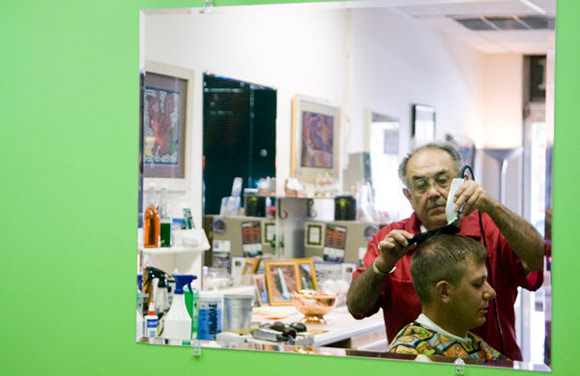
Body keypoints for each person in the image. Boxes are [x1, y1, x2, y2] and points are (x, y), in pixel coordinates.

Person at [346, 140, 545, 361]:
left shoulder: (492, 229)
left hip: (491, 368)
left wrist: (493, 207)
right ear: (409, 196)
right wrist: (382, 265)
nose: (433, 192)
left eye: (442, 180)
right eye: (421, 185)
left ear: (463, 183)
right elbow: (357, 307)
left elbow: (536, 262)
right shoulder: (389, 241)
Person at [386, 234, 506, 360]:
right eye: (477, 284)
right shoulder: (409, 356)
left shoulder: (475, 343)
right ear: (444, 292)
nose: (491, 292)